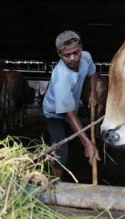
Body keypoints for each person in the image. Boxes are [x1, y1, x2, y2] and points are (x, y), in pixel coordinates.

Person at [42, 30, 101, 180]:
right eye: (67, 55)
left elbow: (92, 73)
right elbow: (69, 115)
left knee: (73, 138)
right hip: (54, 113)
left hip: (70, 107)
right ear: (59, 54)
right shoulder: (61, 76)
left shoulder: (86, 57)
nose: (73, 58)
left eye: (76, 52)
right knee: (61, 150)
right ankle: (55, 184)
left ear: (81, 47)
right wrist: (87, 142)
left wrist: (93, 93)